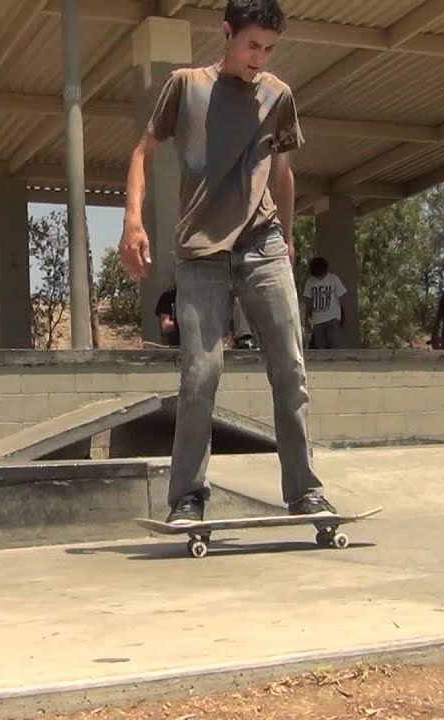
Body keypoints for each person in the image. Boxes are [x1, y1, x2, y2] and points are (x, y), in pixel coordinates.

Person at [117, 0, 336, 523]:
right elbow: (143, 152)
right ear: (227, 34)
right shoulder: (186, 86)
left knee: (290, 367)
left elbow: (282, 172)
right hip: (201, 253)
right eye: (251, 45)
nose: (259, 57)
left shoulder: (278, 97)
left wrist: (286, 235)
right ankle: (188, 497)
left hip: (264, 246)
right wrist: (132, 220)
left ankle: (304, 491)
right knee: (200, 373)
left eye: (268, 48)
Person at [302, 256, 348, 349]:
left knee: (333, 341)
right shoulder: (310, 282)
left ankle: (335, 362)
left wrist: (344, 316)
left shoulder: (333, 279)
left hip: (333, 317)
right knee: (320, 345)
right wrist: (307, 318)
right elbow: (309, 301)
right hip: (318, 319)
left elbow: (342, 298)